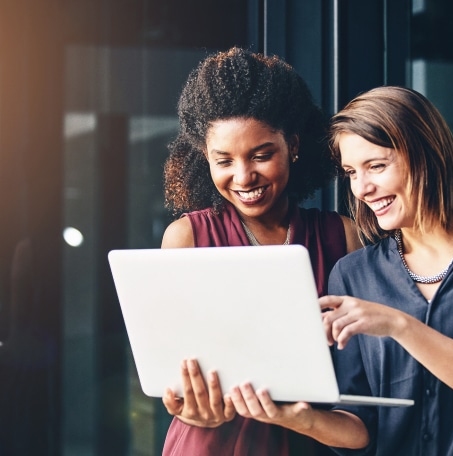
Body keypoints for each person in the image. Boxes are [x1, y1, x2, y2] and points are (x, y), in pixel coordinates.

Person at [221, 86, 453, 455]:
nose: (362, 188)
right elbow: (361, 428)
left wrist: (398, 325)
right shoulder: (353, 274)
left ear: (425, 154)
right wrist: (296, 417)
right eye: (351, 171)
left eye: (376, 166)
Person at [159, 47, 360, 456]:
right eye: (224, 161)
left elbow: (361, 373)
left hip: (310, 438)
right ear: (204, 160)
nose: (243, 176)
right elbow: (172, 373)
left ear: (294, 145)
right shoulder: (186, 237)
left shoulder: (342, 236)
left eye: (261, 155)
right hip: (210, 444)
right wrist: (189, 408)